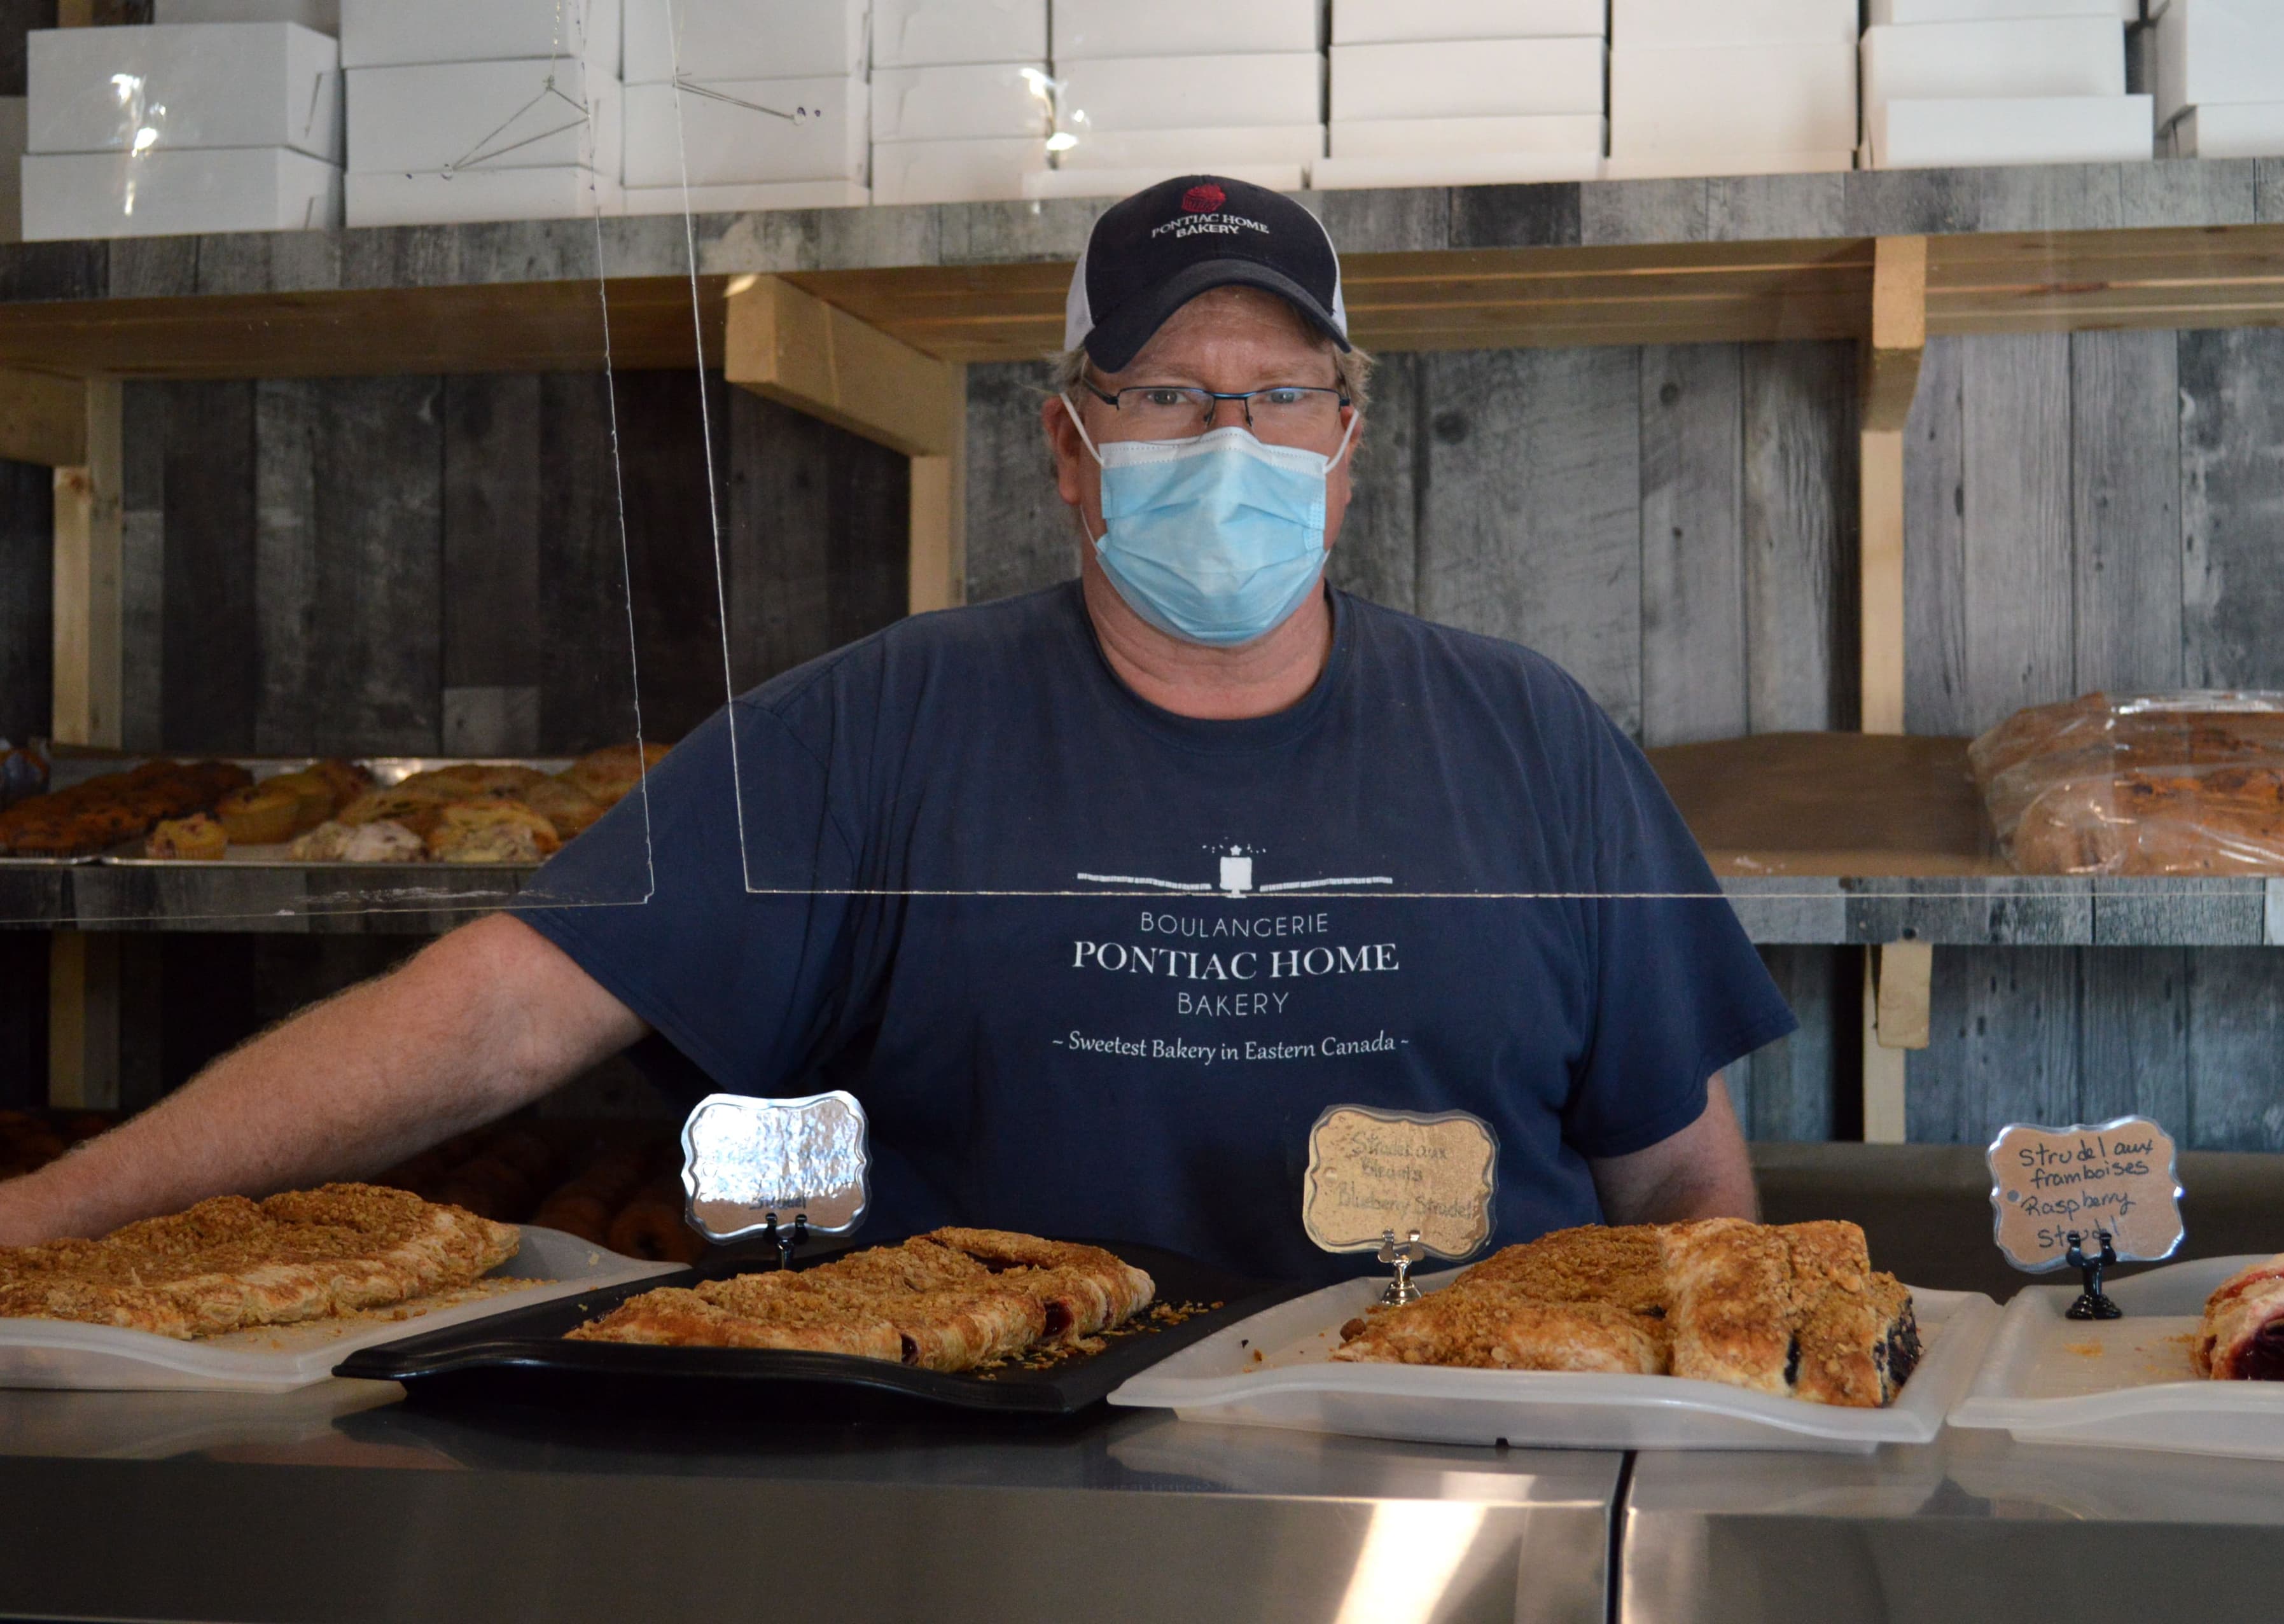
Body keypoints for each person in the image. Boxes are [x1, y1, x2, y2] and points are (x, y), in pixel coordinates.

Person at [0, 176, 1795, 1279]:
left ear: (1351, 439)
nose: (1231, 439)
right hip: (995, 1483)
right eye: (1168, 392)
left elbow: (1685, 1179)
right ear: (1067, 442)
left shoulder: (1532, 739)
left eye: (1281, 393)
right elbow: (488, 1017)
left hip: (1469, 1487)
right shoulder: (879, 727)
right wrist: (51, 1219)